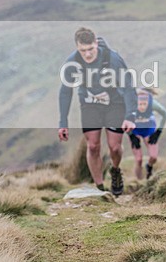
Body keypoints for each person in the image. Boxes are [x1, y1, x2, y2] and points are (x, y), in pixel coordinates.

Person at [58, 27, 137, 195]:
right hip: (89, 105)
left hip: (114, 104)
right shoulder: (72, 62)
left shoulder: (112, 58)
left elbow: (128, 87)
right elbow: (65, 91)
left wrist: (130, 116)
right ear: (77, 47)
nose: (87, 54)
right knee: (93, 146)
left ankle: (115, 170)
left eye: (90, 49)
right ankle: (100, 188)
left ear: (96, 43)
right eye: (83, 50)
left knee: (114, 147)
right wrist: (63, 123)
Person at [128, 88, 166, 180]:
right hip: (135, 131)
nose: (142, 107)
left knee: (153, 157)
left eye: (144, 104)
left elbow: (165, 114)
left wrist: (158, 132)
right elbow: (123, 118)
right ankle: (139, 182)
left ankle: (149, 167)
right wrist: (131, 135)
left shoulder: (153, 104)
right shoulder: (130, 105)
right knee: (138, 159)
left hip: (149, 130)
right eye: (140, 104)